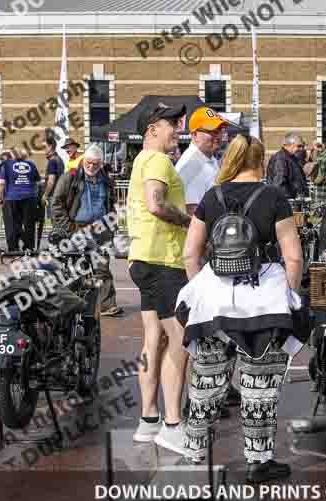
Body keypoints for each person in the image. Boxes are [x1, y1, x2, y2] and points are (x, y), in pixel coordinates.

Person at [178, 134, 304, 482]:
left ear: (231, 158)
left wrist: (200, 287)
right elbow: (292, 256)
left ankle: (194, 456)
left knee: (206, 383)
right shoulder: (274, 197)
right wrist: (290, 296)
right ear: (260, 160)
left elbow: (190, 252)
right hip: (262, 301)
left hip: (214, 304)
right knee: (259, 384)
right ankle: (259, 461)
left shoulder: (211, 197)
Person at [127, 102, 191, 448]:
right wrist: (187, 220)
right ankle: (173, 424)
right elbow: (155, 203)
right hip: (164, 260)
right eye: (171, 124)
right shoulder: (158, 160)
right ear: (153, 128)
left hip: (143, 258)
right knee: (180, 341)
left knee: (154, 339)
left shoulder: (140, 160)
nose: (177, 129)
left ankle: (148, 419)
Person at [52, 144, 123, 317]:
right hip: (77, 228)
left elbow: (111, 203)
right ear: (84, 160)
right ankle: (72, 305)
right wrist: (70, 228)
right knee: (75, 268)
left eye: (96, 164)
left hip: (101, 229)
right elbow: (57, 204)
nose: (91, 167)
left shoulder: (106, 179)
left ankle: (107, 305)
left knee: (102, 267)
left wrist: (111, 226)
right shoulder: (70, 177)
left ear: (101, 163)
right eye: (89, 163)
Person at [175, 106, 226, 216]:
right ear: (194, 135)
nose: (218, 136)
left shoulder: (207, 158)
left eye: (220, 130)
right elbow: (192, 211)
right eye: (211, 131)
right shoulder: (191, 165)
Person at [0, 147, 40, 252]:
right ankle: (29, 247)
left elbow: (1, 184)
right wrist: (35, 196)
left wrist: (0, 199)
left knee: (11, 224)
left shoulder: (6, 165)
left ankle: (13, 248)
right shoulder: (31, 165)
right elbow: (37, 183)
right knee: (29, 223)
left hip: (11, 198)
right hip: (29, 198)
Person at [267, 132, 308, 199]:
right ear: (287, 145)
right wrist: (290, 201)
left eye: (303, 146)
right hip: (288, 203)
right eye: (299, 146)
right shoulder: (280, 158)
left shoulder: (293, 158)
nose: (302, 149)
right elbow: (279, 184)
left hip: (295, 202)